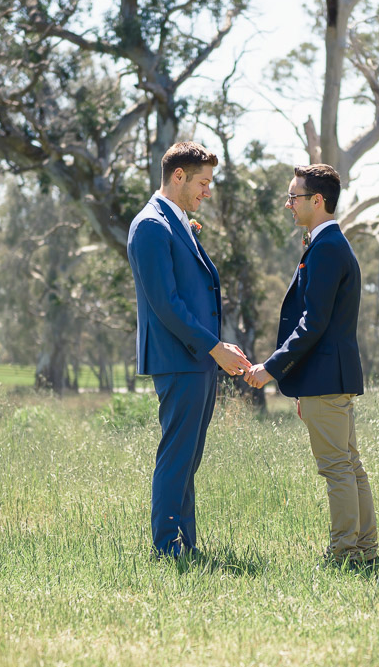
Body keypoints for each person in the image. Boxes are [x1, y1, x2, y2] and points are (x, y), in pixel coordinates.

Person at [245, 164, 379, 568]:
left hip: (326, 378)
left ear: (316, 201)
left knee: (338, 468)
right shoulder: (328, 245)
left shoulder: (327, 248)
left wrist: (272, 368)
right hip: (327, 378)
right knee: (350, 467)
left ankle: (345, 554)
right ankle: (364, 550)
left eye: (294, 197)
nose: (288, 204)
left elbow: (313, 323)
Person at [127, 141, 252, 559]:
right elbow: (167, 304)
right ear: (177, 176)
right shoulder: (150, 225)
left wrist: (216, 347)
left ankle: (186, 545)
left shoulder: (177, 220)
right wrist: (214, 348)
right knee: (177, 455)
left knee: (188, 460)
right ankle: (167, 548)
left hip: (196, 357)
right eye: (202, 182)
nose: (207, 191)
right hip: (179, 358)